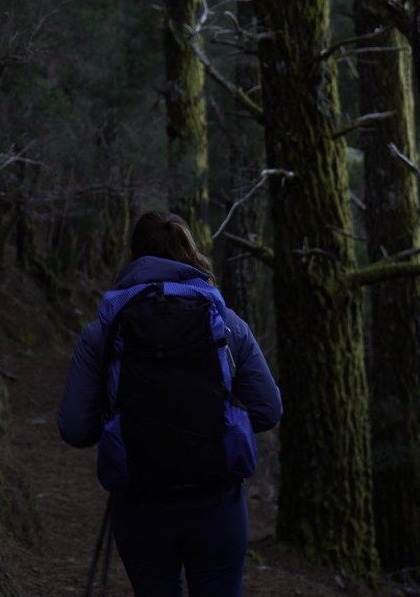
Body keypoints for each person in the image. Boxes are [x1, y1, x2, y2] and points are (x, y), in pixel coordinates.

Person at [57, 211, 282, 597]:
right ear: (190, 252)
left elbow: (75, 428)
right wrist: (218, 421)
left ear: (133, 255)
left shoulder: (103, 332)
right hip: (218, 503)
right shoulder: (228, 325)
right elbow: (268, 409)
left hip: (140, 503)